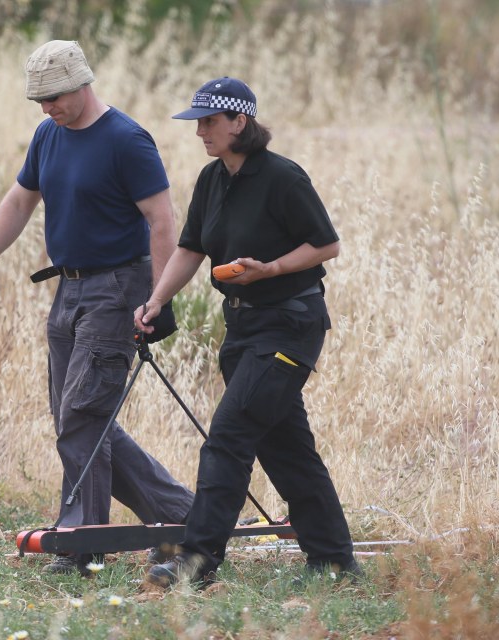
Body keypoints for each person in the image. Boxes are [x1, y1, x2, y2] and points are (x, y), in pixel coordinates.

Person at [0, 40, 193, 575]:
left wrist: (159, 297)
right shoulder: (47, 135)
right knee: (79, 419)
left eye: (54, 97)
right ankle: (183, 517)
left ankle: (82, 542)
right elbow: (18, 202)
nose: (45, 108)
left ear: (82, 83)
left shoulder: (127, 140)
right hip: (69, 289)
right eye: (38, 100)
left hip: (117, 289)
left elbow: (162, 221)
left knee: (81, 414)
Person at [134, 77, 361, 588]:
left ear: (241, 121)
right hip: (241, 328)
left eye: (210, 121)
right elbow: (190, 249)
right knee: (286, 449)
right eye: (198, 122)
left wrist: (272, 269)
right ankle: (334, 563)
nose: (200, 132)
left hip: (289, 325)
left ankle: (196, 564)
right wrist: (156, 300)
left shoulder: (283, 178)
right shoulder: (213, 180)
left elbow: (326, 245)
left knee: (228, 439)